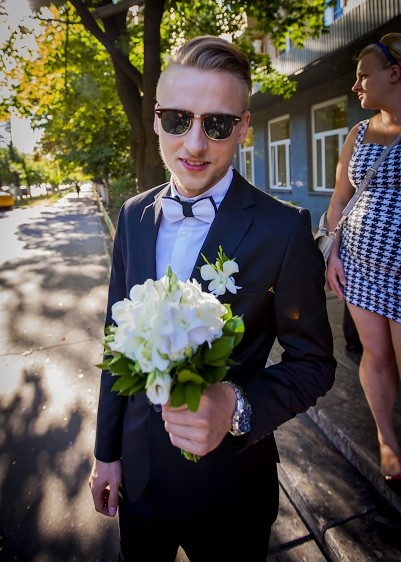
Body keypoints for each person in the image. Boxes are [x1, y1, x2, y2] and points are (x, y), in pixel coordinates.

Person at [89, 35, 336, 562]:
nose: (195, 144)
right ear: (157, 119)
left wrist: (236, 405)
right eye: (178, 120)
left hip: (229, 491)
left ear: (243, 127)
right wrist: (105, 452)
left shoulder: (284, 230)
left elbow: (314, 364)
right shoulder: (133, 216)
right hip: (138, 480)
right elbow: (116, 339)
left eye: (217, 124)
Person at [326, 32, 401, 486]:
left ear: (394, 74)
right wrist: (332, 254)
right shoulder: (357, 134)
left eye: (363, 76)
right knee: (376, 354)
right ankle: (387, 437)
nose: (355, 86)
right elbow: (340, 200)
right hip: (359, 267)